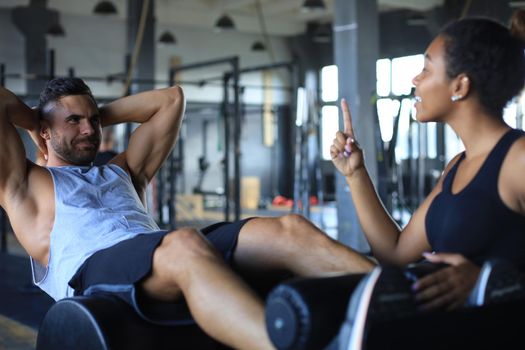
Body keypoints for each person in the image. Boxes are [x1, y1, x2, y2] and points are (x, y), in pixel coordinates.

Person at [0, 77, 375, 350]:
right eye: (75, 121)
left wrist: (90, 114)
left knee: (289, 228)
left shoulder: (122, 170)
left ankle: (403, 292)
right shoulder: (26, 185)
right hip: (94, 271)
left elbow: (171, 99)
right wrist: (35, 121)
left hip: (159, 249)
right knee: (183, 243)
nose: (90, 129)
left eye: (93, 120)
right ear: (46, 132)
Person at [331, 15, 525, 312]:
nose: (415, 80)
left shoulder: (518, 158)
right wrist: (355, 173)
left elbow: (491, 282)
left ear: (460, 86)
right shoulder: (457, 166)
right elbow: (394, 253)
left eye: (426, 68)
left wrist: (488, 281)